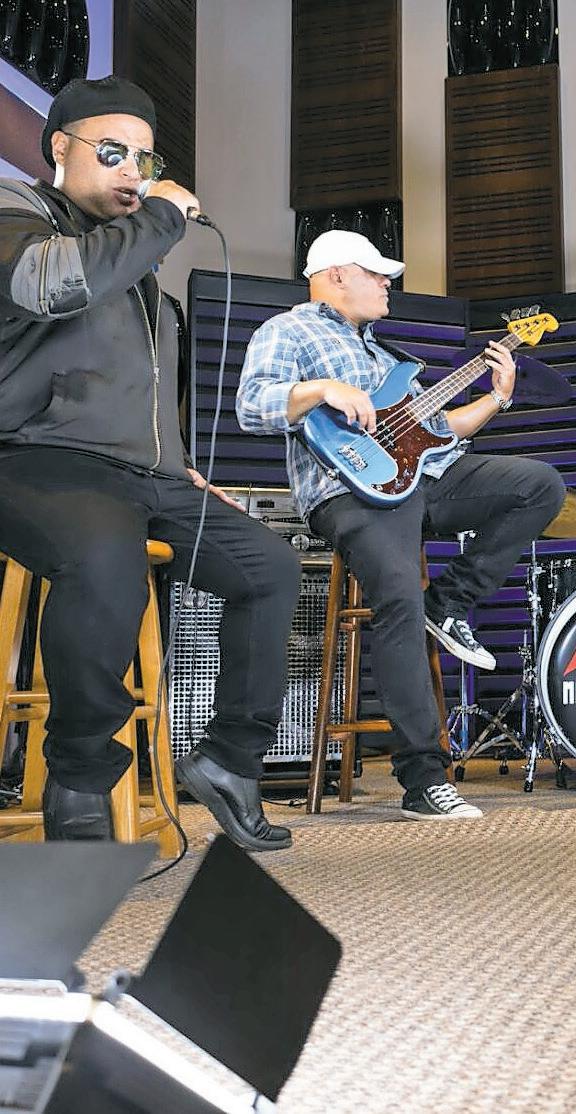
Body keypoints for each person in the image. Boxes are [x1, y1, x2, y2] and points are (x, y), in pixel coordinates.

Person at [0, 76, 301, 850]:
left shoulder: (136, 270)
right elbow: (47, 285)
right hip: (33, 459)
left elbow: (143, 390)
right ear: (59, 148)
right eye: (113, 152)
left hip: (145, 477)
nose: (133, 170)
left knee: (270, 567)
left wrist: (178, 464)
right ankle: (79, 777)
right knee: (108, 557)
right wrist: (163, 213)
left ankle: (230, 760)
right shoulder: (19, 212)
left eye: (145, 158)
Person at [236, 230, 566, 820]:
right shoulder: (287, 331)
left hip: (425, 478)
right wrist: (323, 388)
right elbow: (252, 407)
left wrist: (498, 397)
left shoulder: (388, 359)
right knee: (397, 601)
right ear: (336, 275)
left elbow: (439, 433)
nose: (388, 284)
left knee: (540, 485)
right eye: (376, 274)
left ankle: (449, 602)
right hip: (348, 492)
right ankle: (423, 778)